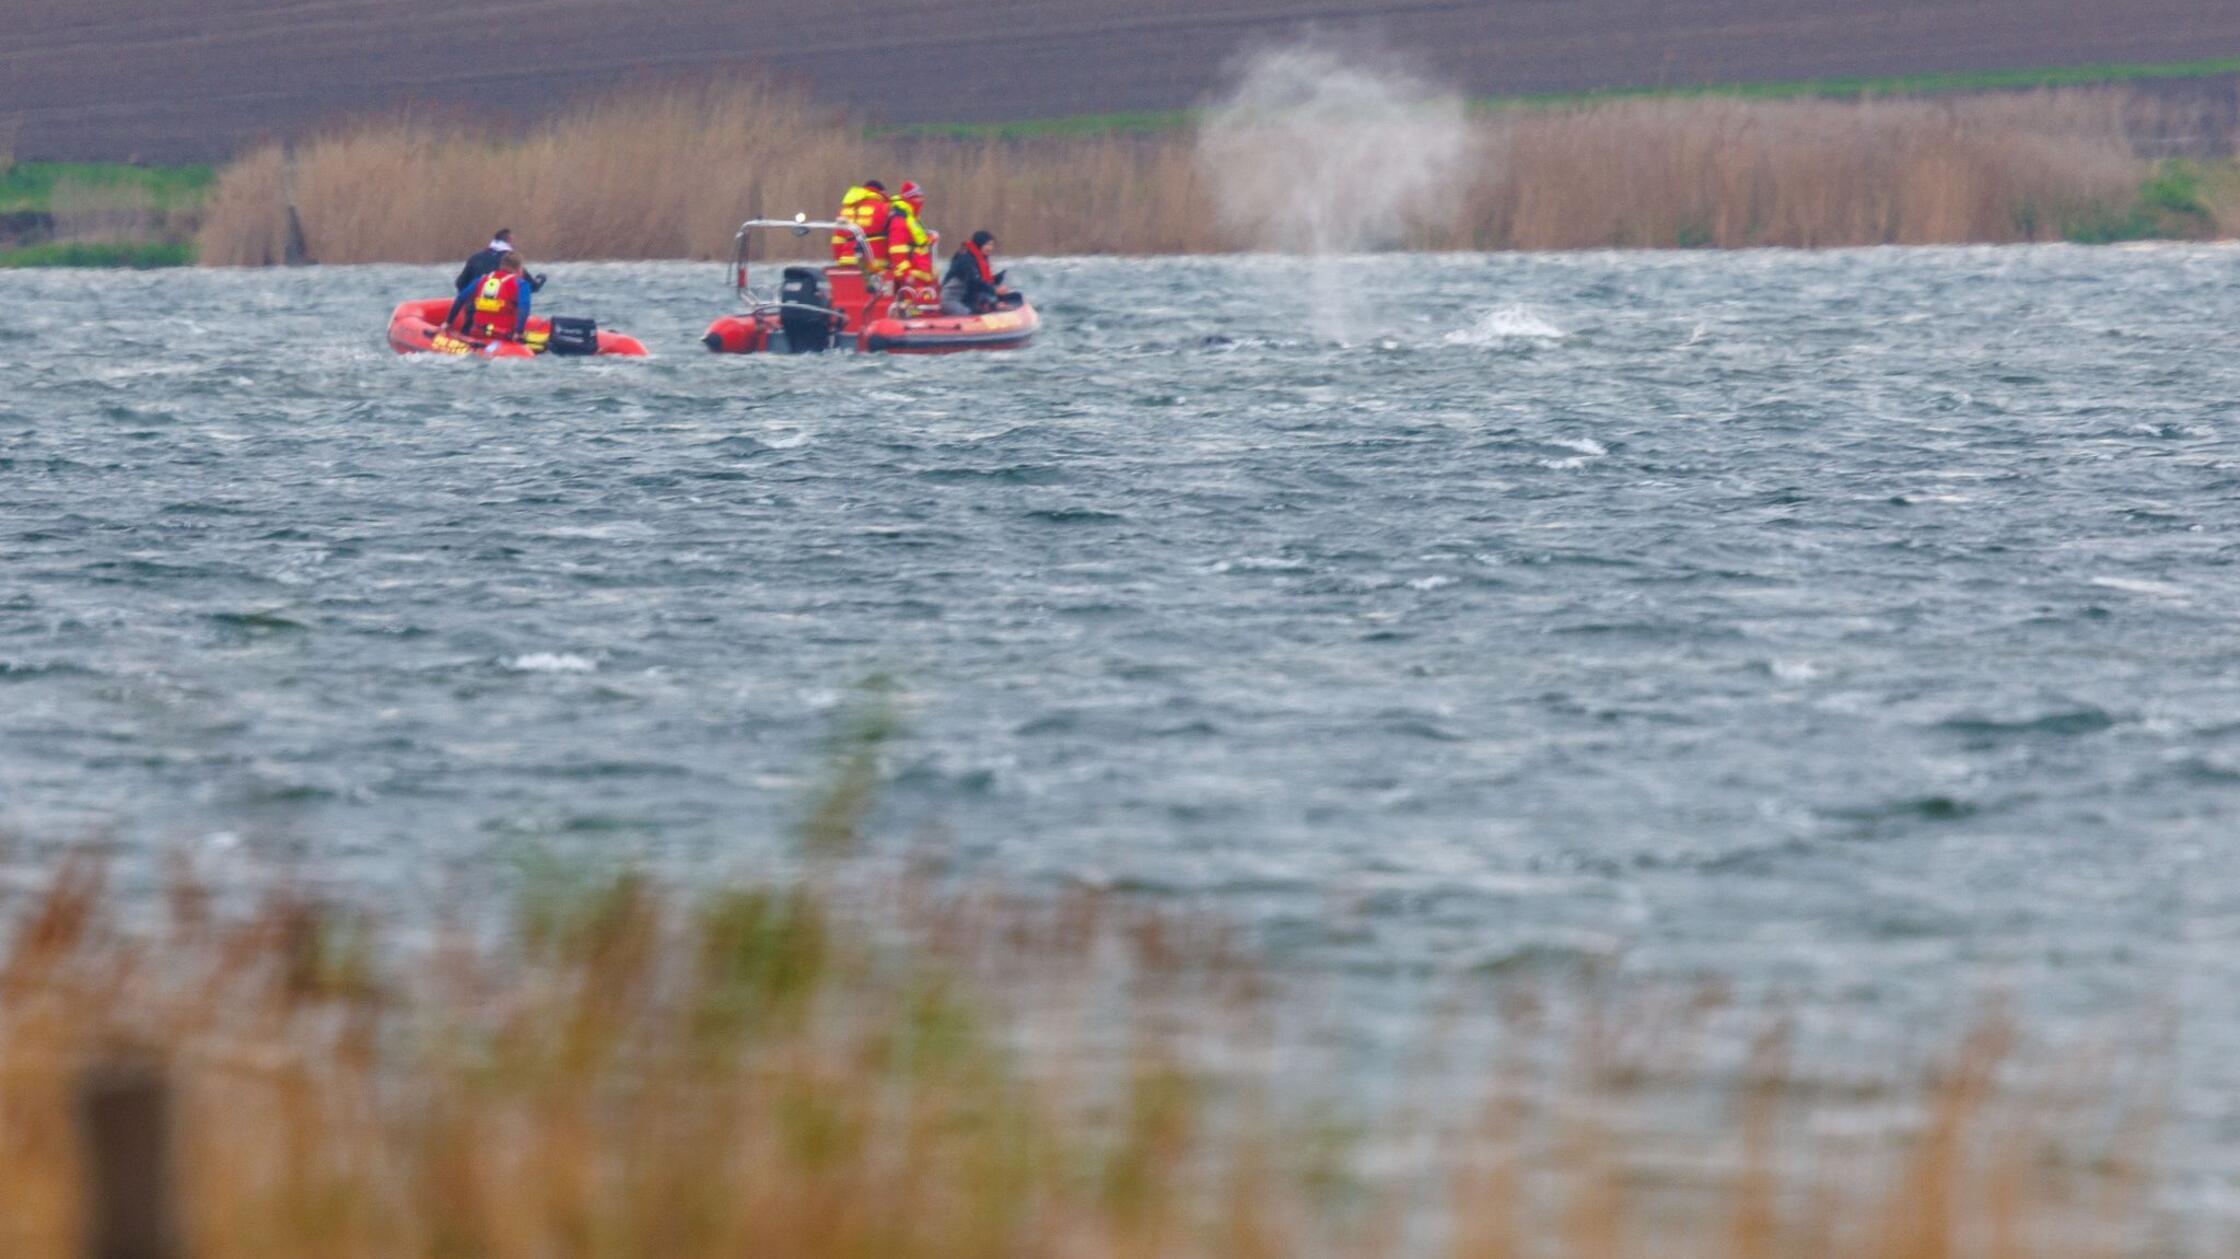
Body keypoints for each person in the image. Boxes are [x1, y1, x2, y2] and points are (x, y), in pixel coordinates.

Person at [884, 181, 937, 316]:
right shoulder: (899, 222)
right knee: (913, 307)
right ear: (909, 198)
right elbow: (897, 252)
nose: (922, 200)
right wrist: (906, 275)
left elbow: (917, 243)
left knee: (923, 305)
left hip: (921, 273)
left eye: (922, 196)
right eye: (918, 197)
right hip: (912, 276)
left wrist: (928, 240)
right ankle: (910, 319)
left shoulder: (911, 218)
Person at [465, 252, 533, 342]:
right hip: (503, 336)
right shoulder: (520, 284)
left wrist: (447, 323)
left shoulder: (482, 280)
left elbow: (460, 299)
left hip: (477, 333)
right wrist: (518, 333)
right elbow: (524, 308)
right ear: (519, 268)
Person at [941, 230, 1010, 315]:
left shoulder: (980, 258)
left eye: (992, 245)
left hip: (966, 297)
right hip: (951, 300)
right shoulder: (965, 258)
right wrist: (994, 290)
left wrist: (997, 279)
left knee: (987, 304)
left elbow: (980, 284)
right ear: (979, 244)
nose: (990, 248)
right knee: (972, 313)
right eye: (987, 244)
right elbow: (972, 283)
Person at [833, 180, 891, 268]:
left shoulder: (844, 210)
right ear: (881, 193)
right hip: (875, 263)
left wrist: (839, 261)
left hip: (847, 261)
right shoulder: (883, 207)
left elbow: (837, 240)